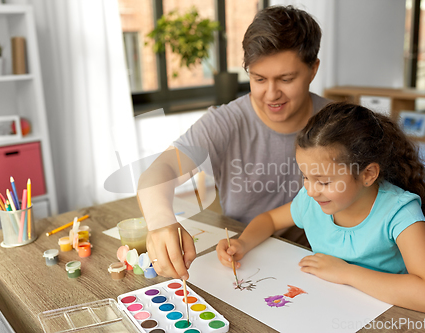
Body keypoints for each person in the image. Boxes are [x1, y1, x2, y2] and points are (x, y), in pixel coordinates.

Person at [138, 5, 330, 280]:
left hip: (317, 262)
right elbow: (158, 173)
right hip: (241, 259)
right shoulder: (226, 122)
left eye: (286, 79)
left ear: (313, 70)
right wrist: (160, 222)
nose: (272, 94)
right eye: (259, 79)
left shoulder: (338, 124)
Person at [216, 102, 425, 315]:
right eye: (305, 177)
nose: (310, 190)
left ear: (368, 174)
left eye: (324, 181)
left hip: (388, 316)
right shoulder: (313, 201)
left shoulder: (398, 212)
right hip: (326, 308)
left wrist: (346, 273)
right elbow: (270, 220)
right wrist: (242, 243)